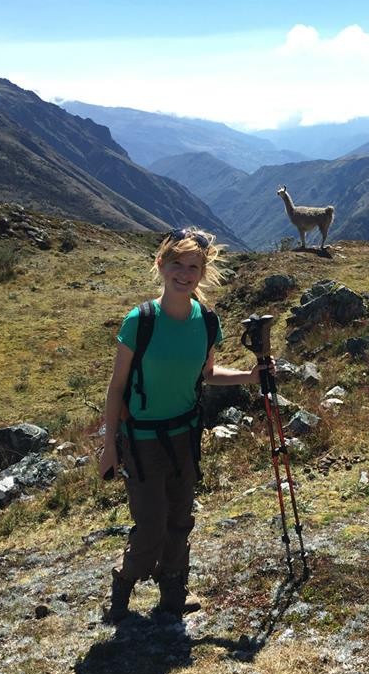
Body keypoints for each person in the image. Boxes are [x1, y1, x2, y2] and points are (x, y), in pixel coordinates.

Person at [98, 226, 269, 623]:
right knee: (152, 524)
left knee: (180, 518)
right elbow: (116, 387)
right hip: (141, 439)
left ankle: (173, 590)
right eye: (177, 264)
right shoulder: (139, 321)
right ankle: (124, 582)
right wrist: (110, 446)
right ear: (161, 265)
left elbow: (207, 374)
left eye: (194, 266)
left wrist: (248, 377)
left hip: (185, 435)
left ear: (203, 272)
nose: (185, 273)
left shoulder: (206, 321)